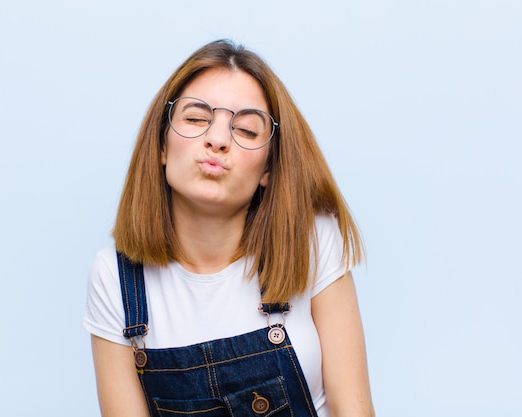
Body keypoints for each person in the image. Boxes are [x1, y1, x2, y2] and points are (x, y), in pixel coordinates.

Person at [83, 39, 375, 417]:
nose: (217, 140)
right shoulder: (114, 278)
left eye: (247, 131)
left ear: (268, 169)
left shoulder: (313, 241)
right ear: (162, 146)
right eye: (195, 119)